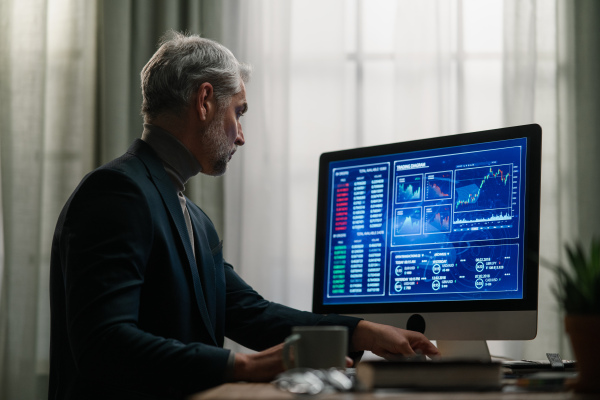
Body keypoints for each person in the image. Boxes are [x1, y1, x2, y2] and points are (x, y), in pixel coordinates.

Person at [48, 31, 439, 400]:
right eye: (239, 111)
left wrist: (363, 331)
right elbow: (104, 345)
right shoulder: (117, 192)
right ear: (204, 101)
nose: (241, 136)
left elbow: (250, 314)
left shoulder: (194, 219)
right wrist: (245, 365)